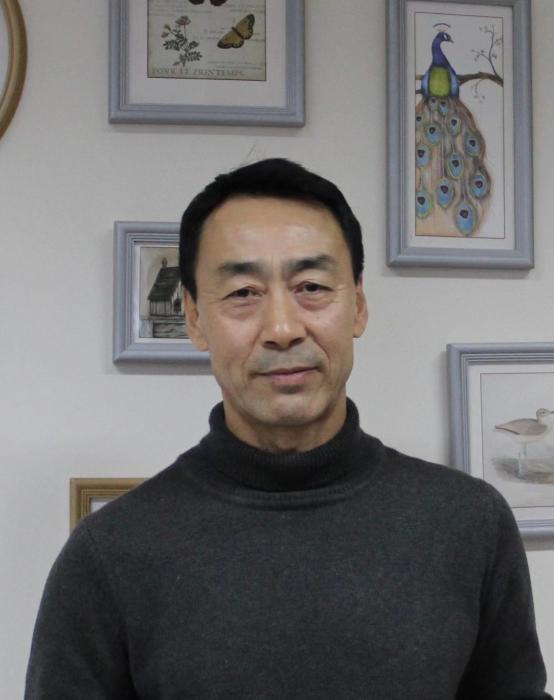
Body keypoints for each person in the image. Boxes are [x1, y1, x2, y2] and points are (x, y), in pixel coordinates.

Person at [26, 159, 551, 699]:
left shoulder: (469, 524)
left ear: (358, 306)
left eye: (312, 286)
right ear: (195, 319)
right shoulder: (110, 554)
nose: (282, 328)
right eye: (243, 293)